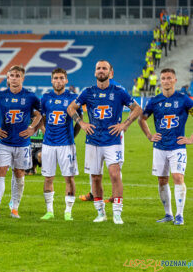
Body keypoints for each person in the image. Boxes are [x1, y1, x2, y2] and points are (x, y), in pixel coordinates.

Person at [67, 60, 142, 224]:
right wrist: (81, 123)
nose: (101, 71)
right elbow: (71, 108)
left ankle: (117, 213)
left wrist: (125, 124)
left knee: (115, 174)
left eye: (104, 68)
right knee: (95, 177)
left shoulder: (119, 91)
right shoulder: (87, 92)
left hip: (113, 140)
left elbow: (137, 108)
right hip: (93, 140)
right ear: (95, 72)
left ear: (111, 73)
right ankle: (100, 213)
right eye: (98, 68)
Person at [0, 65, 40, 220]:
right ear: (8, 78)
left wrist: (33, 128)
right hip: (4, 143)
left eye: (17, 75)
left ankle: (14, 208)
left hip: (22, 143)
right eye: (11, 75)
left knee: (19, 173)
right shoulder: (1, 96)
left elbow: (41, 114)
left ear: (22, 78)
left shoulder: (30, 96)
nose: (14, 78)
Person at [138, 68, 193, 225]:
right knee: (162, 180)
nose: (166, 81)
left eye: (169, 78)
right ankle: (168, 214)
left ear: (175, 80)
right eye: (163, 78)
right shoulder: (155, 101)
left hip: (177, 146)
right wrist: (149, 136)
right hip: (160, 147)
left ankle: (179, 215)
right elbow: (142, 119)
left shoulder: (184, 99)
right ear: (160, 81)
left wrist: (191, 139)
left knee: (178, 177)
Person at [39, 68, 81, 221]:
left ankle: (68, 211)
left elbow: (79, 121)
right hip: (49, 144)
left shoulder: (73, 98)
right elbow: (41, 118)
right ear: (51, 80)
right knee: (48, 177)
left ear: (66, 80)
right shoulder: (45, 98)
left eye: (61, 78)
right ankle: (49, 211)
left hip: (66, 145)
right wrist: (45, 131)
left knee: (69, 178)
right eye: (55, 78)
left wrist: (72, 136)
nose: (58, 81)